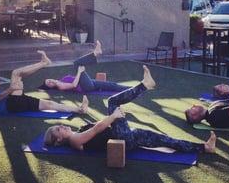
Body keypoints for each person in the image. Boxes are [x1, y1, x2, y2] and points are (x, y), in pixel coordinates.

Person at [44, 65, 217, 155]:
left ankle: (204, 148)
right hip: (121, 138)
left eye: (59, 126)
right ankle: (145, 85)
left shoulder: (77, 133)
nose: (63, 126)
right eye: (59, 129)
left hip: (126, 137)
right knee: (112, 101)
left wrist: (85, 111)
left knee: (164, 140)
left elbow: (97, 127)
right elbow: (97, 129)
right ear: (58, 140)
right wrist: (113, 117)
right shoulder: (74, 140)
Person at [0, 51, 88, 115]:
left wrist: (4, 89)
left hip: (15, 102)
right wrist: (10, 90)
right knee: (16, 73)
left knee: (49, 104)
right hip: (11, 104)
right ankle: (44, 63)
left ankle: (79, 110)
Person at [42, 40, 129, 93]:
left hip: (88, 83)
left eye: (48, 80)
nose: (50, 81)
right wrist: (79, 72)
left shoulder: (60, 81)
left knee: (111, 85)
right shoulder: (60, 86)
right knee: (76, 64)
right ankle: (96, 53)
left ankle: (132, 89)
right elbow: (74, 84)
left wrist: (79, 73)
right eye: (49, 83)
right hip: (85, 87)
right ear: (50, 87)